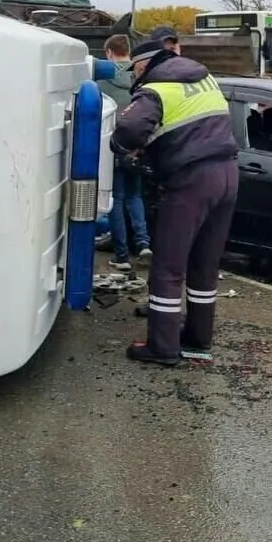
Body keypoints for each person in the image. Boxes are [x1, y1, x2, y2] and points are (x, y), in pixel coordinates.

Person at [110, 34, 239, 366]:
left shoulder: (156, 88)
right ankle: (197, 339)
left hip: (191, 181)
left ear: (144, 64)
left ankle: (163, 347)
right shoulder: (203, 77)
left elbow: (128, 130)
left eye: (134, 69)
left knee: (167, 267)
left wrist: (126, 149)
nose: (134, 75)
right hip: (228, 175)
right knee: (204, 265)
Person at [95, 34, 151, 269]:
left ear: (109, 52)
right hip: (137, 145)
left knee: (116, 199)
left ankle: (121, 256)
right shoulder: (140, 76)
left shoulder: (100, 79)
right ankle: (143, 243)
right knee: (135, 196)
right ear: (128, 51)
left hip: (114, 146)